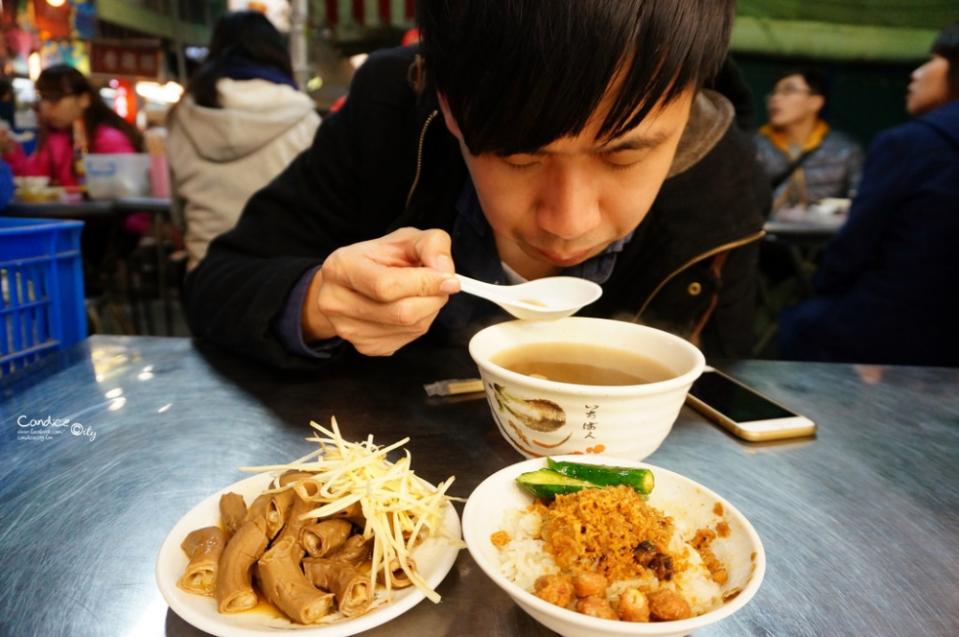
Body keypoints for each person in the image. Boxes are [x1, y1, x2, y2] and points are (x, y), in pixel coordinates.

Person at [185, 0, 768, 370]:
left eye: (624, 156)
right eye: (519, 157)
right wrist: (319, 303)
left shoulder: (724, 177)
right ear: (450, 107)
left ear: (688, 107)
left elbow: (725, 377)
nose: (569, 222)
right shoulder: (391, 110)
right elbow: (219, 284)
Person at [778, 22, 959, 366]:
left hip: (892, 329)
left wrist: (822, 286)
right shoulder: (760, 144)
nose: (915, 74)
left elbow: (852, 249)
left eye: (931, 61)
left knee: (800, 324)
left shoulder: (908, 144)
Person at [167, 11, 320, 270]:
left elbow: (177, 208)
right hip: (283, 277)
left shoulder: (183, 113)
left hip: (206, 273)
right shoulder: (303, 116)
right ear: (277, 52)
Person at [0, 65, 142, 186]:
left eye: (55, 98)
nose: (45, 106)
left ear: (84, 100)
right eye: (42, 98)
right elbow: (33, 181)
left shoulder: (109, 140)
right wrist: (10, 150)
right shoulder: (53, 139)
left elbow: (127, 190)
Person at [755, 69, 863, 215]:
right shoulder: (753, 147)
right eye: (774, 93)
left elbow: (859, 201)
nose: (776, 98)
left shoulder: (844, 151)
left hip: (824, 234)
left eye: (788, 91)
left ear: (815, 102)